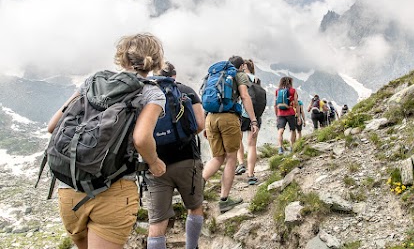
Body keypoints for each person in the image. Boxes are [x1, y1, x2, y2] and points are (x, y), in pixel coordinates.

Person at [47, 33, 167, 249]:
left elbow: (52, 126)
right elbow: (141, 139)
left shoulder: (92, 82)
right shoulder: (151, 92)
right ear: (155, 60)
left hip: (70, 187)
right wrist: (155, 163)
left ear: (123, 57)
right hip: (115, 188)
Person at [145, 62, 205, 249]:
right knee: (194, 207)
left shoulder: (143, 94)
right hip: (186, 159)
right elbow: (199, 126)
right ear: (174, 76)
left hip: (154, 165)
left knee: (157, 222)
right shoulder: (186, 90)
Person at [202, 56, 258, 213]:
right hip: (228, 117)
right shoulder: (238, 74)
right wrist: (253, 120)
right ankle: (224, 200)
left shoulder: (215, 75)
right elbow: (245, 96)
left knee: (217, 157)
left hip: (211, 118)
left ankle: (198, 185)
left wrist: (207, 122)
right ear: (241, 66)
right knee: (232, 157)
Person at [234, 59, 261, 185]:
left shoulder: (239, 77)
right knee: (252, 145)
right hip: (254, 115)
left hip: (240, 114)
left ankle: (240, 163)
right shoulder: (256, 79)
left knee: (238, 139)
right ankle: (251, 175)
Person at [274, 76, 300, 154]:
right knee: (292, 130)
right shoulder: (293, 90)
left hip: (280, 113)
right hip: (291, 112)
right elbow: (296, 103)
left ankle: (280, 148)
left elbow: (275, 104)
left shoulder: (277, 91)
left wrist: (276, 115)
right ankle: (292, 147)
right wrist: (298, 115)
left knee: (280, 130)